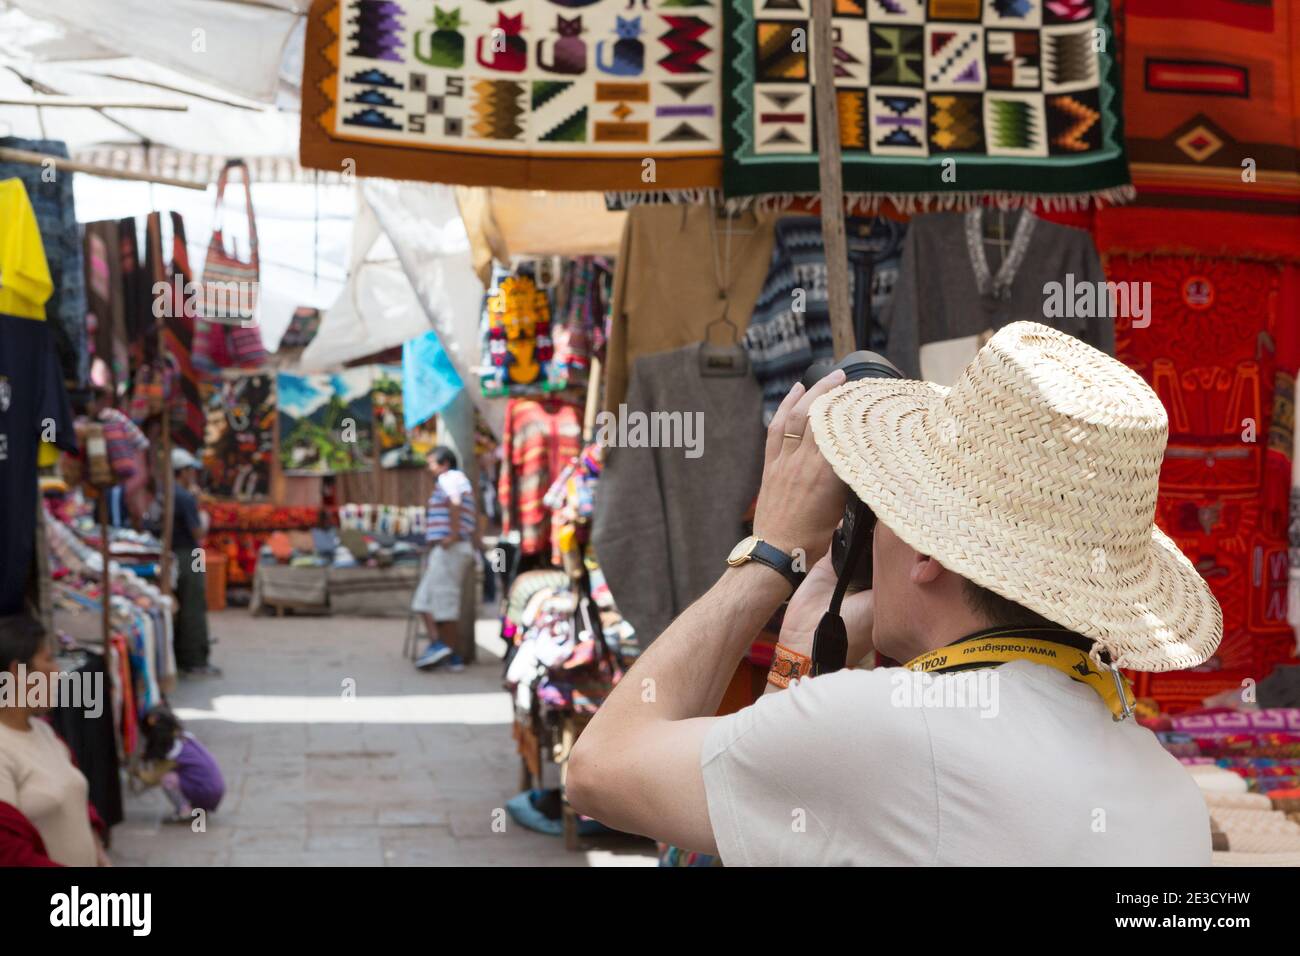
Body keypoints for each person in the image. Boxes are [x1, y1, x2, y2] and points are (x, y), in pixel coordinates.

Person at [567, 322, 1221, 866]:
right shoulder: (1167, 790)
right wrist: (801, 648)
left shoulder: (883, 730)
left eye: (887, 506)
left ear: (931, 551)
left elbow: (597, 769)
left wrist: (768, 557)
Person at [0, 614, 110, 866]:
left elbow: (76, 798)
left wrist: (98, 852)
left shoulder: (45, 732)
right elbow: (9, 854)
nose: (58, 672)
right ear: (17, 672)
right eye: (48, 659)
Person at [411, 446, 478, 672]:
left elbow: (455, 501)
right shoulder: (452, 479)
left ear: (444, 464)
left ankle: (451, 653)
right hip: (445, 549)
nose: (428, 468)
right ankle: (441, 648)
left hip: (452, 548)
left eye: (431, 463)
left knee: (444, 602)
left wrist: (454, 534)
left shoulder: (451, 477)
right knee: (423, 602)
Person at [171, 448, 220, 678]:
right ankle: (195, 659)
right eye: (191, 471)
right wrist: (203, 516)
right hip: (191, 555)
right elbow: (197, 530)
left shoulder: (169, 493)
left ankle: (185, 655)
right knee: (194, 603)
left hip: (180, 553)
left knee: (188, 602)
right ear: (184, 472)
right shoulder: (184, 496)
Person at [134, 706, 225, 824]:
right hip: (214, 788)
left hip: (206, 792)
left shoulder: (174, 753)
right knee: (181, 775)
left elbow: (152, 779)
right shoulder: (184, 740)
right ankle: (197, 807)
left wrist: (135, 772)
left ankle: (185, 811)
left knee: (167, 779)